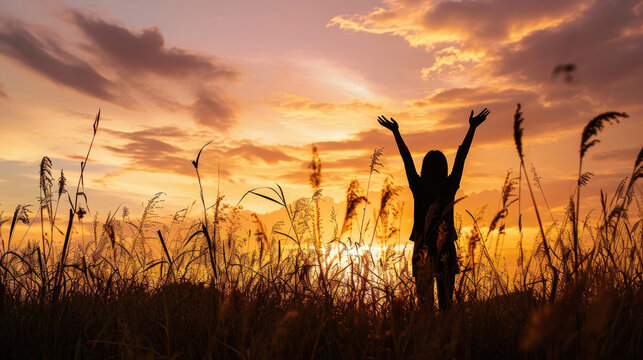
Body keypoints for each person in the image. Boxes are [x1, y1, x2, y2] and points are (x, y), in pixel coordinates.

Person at [378, 108, 490, 311]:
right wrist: (472, 128)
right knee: (447, 304)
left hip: (422, 249)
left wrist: (396, 132)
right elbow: (461, 158)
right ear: (443, 168)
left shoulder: (418, 187)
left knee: (425, 307)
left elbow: (407, 159)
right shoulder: (448, 187)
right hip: (446, 247)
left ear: (425, 168)